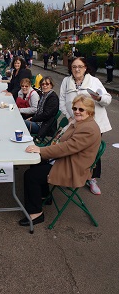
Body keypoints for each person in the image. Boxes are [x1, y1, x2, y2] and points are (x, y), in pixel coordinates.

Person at [19, 95, 101, 227]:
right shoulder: (80, 122)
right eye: (75, 108)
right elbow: (63, 144)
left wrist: (42, 150)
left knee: (30, 175)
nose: (77, 111)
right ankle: (44, 195)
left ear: (90, 111)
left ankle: (36, 214)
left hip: (73, 168)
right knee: (35, 162)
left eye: (81, 109)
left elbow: (67, 147)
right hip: (66, 159)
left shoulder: (88, 128)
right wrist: (44, 151)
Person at [59, 56, 111, 195]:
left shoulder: (94, 81)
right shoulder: (66, 81)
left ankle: (92, 178)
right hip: (75, 123)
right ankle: (73, 175)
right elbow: (62, 101)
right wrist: (69, 116)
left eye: (80, 67)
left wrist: (99, 98)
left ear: (85, 68)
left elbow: (107, 99)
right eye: (74, 67)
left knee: (92, 152)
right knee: (74, 149)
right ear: (71, 68)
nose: (77, 69)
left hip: (95, 124)